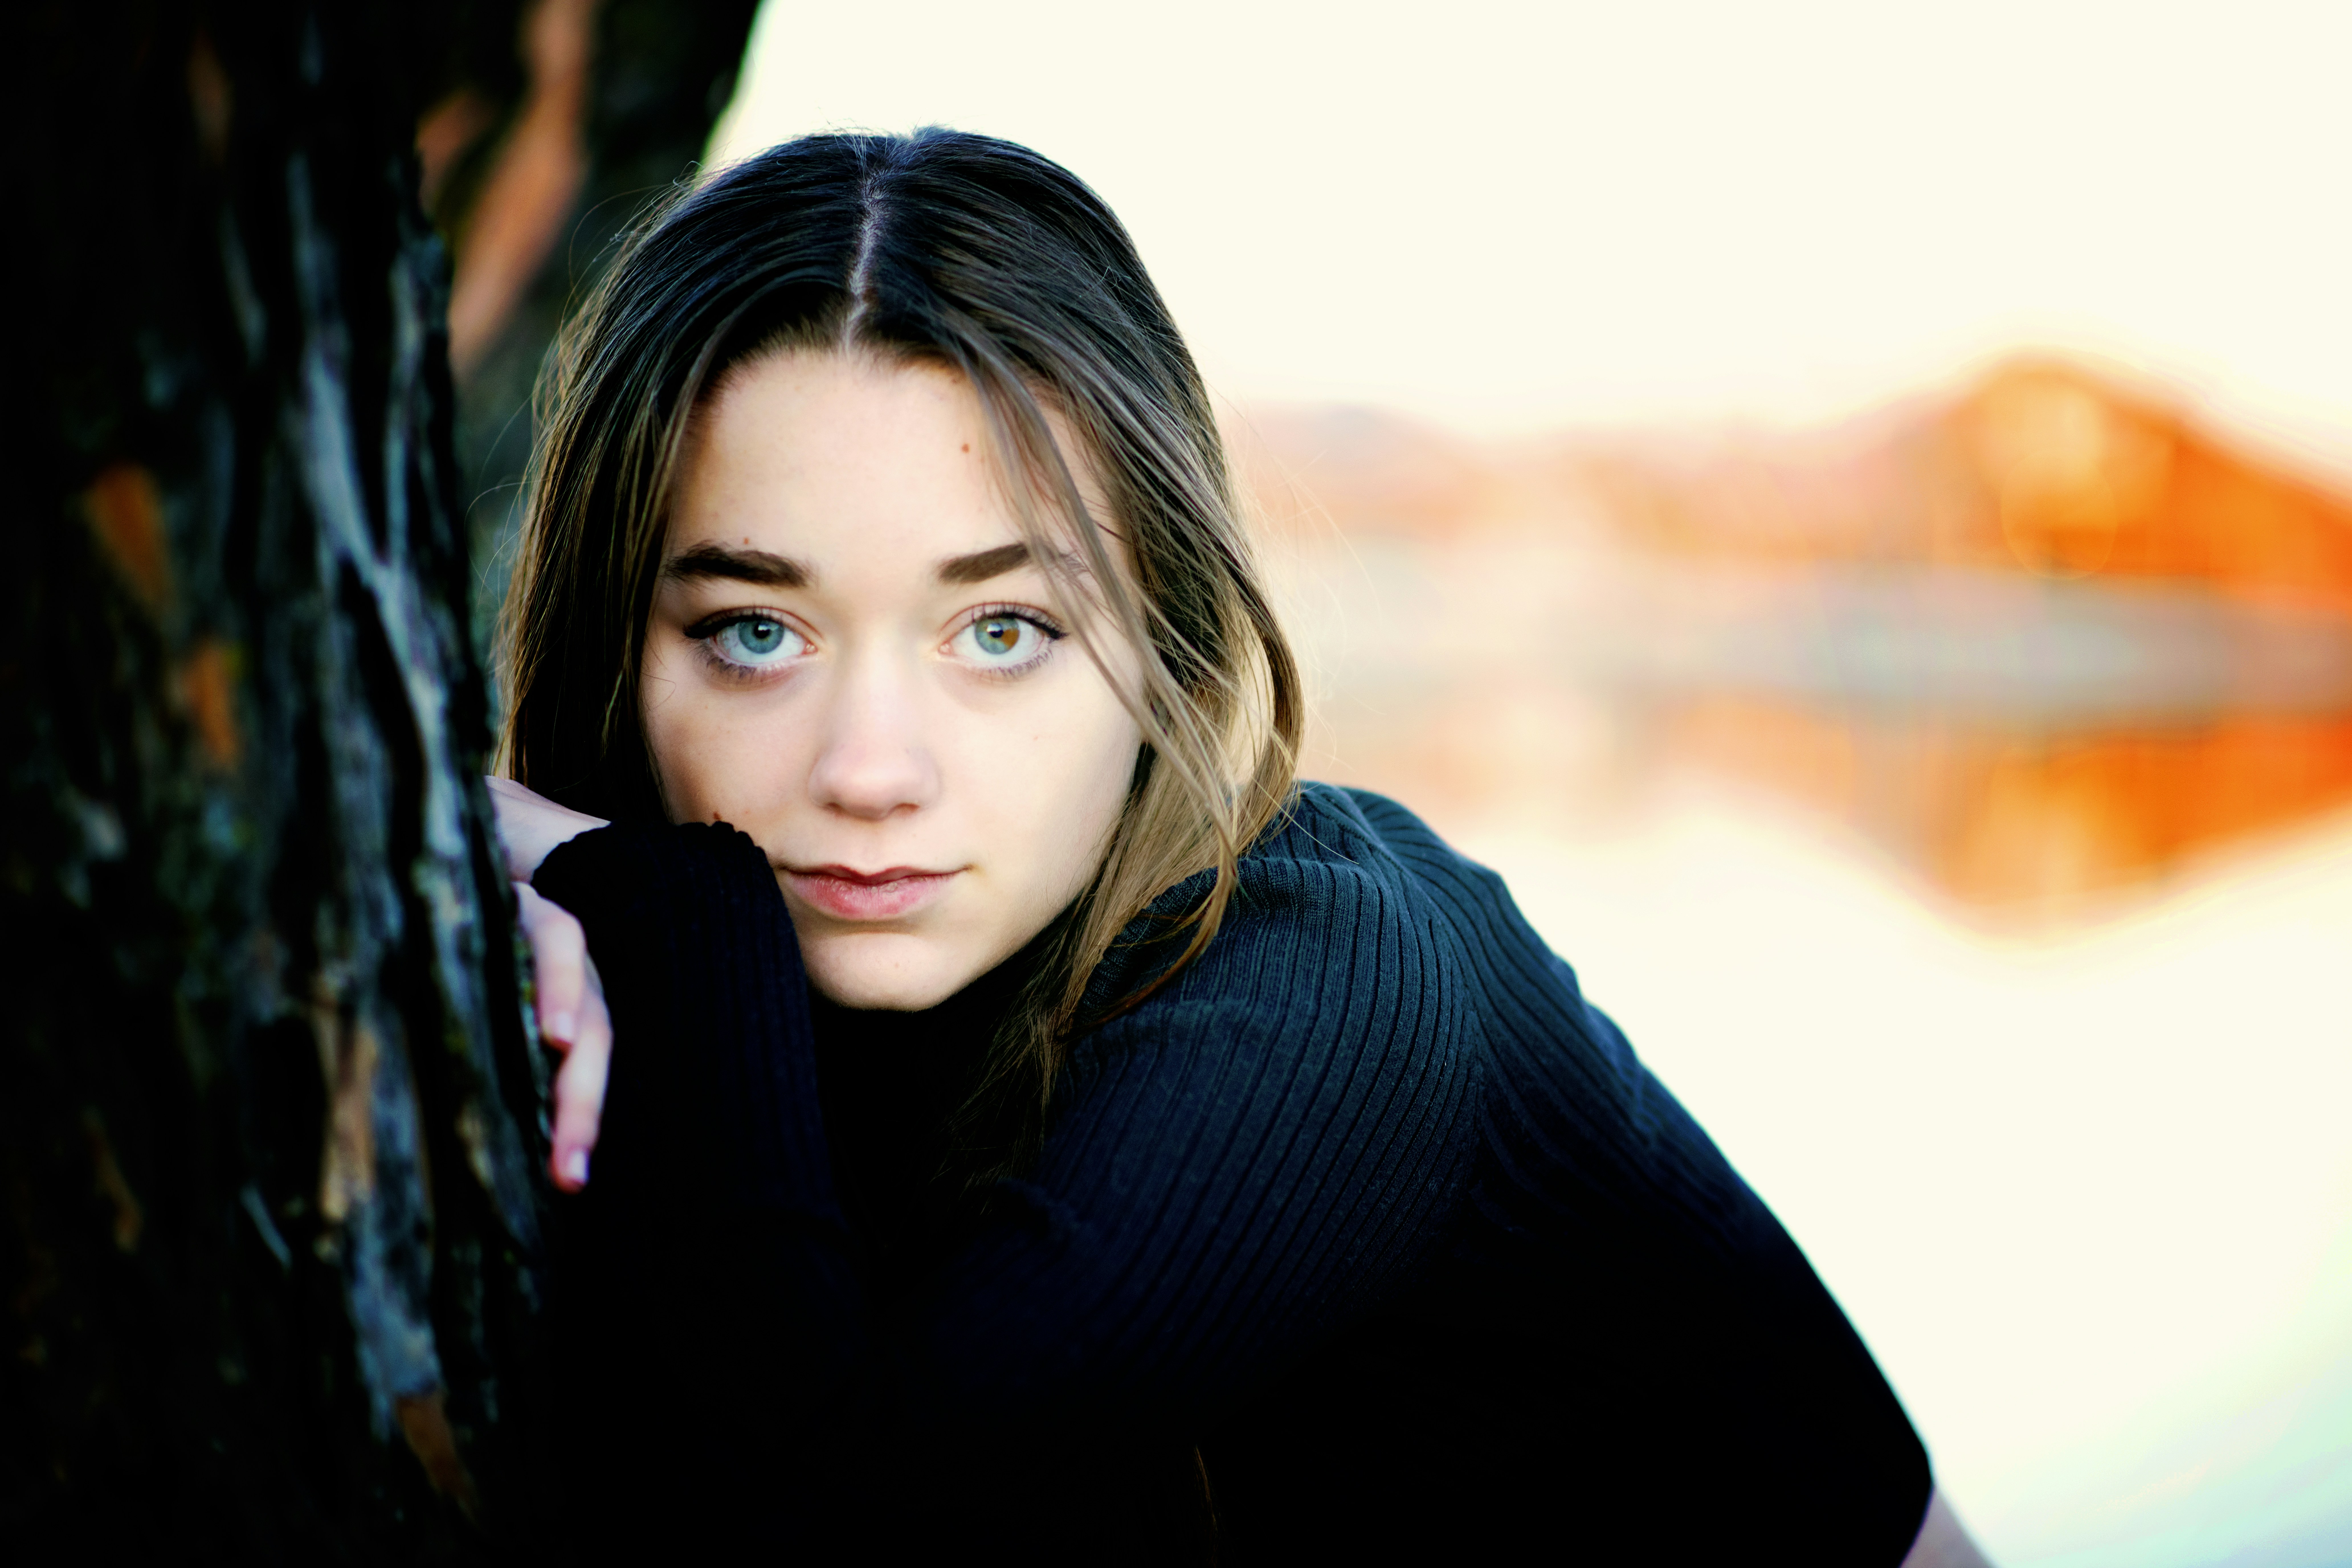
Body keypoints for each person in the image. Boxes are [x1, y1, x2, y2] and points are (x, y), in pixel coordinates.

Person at [487, 128, 1987, 1563]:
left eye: (1003, 631)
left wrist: (674, 918)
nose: (871, 771)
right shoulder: (786, 992)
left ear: (1166, 648)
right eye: (756, 632)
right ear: (621, 648)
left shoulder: (1337, 989)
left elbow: (837, 1528)